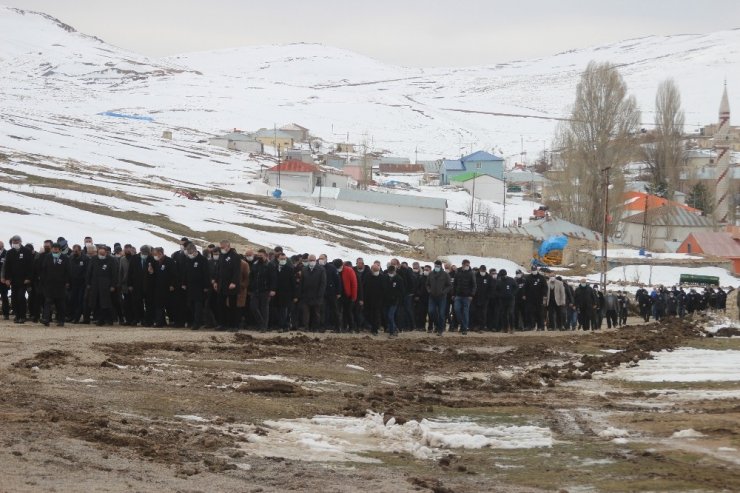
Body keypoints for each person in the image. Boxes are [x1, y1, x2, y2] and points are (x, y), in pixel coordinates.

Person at [1, 235, 33, 324]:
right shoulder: (10, 252)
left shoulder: (26, 251)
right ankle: (17, 315)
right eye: (13, 243)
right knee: (14, 298)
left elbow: (30, 266)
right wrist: (7, 279)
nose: (14, 244)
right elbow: (7, 266)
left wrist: (29, 278)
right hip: (13, 280)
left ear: (20, 242)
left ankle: (22, 316)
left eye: (16, 242)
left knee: (21, 297)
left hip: (23, 280)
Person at [86, 245, 118, 326]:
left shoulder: (111, 260)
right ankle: (99, 318)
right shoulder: (94, 259)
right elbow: (89, 272)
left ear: (106, 252)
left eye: (103, 253)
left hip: (106, 285)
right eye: (100, 253)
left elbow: (114, 274)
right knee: (96, 302)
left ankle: (106, 319)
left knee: (106, 303)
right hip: (95, 284)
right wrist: (88, 283)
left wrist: (113, 285)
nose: (101, 254)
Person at [40, 242, 69, 326]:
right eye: (53, 248)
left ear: (59, 249)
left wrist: (67, 281)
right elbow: (43, 270)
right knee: (48, 301)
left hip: (60, 284)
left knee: (60, 303)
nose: (54, 249)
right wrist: (43, 280)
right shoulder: (47, 257)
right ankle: (46, 319)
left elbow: (68, 271)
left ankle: (61, 320)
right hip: (49, 284)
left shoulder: (65, 258)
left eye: (56, 248)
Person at [181, 244, 210, 330]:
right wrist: (184, 283)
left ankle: (197, 323)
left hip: (200, 287)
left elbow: (206, 273)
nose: (189, 254)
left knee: (198, 305)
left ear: (195, 251)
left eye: (190, 252)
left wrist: (206, 286)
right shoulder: (188, 259)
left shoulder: (202, 260)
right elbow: (185, 272)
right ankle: (193, 321)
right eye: (188, 252)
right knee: (191, 305)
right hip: (190, 286)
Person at [214, 240, 241, 330]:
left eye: (222, 247)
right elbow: (218, 270)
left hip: (231, 285)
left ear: (228, 246)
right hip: (221, 285)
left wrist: (234, 282)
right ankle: (222, 324)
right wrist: (216, 281)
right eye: (220, 247)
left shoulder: (235, 256)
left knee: (233, 306)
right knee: (220, 305)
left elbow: (237, 271)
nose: (221, 249)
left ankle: (235, 325)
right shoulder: (221, 255)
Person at [152, 247, 178, 327]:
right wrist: (151, 272)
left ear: (160, 253)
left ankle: (173, 321)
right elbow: (155, 274)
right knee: (159, 305)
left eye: (155, 254)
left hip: (168, 287)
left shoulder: (169, 261)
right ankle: (160, 322)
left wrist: (172, 284)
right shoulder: (156, 262)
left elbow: (174, 274)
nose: (154, 256)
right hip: (159, 287)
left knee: (169, 305)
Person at [300, 255, 326, 332]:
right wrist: (301, 293)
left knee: (316, 313)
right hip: (306, 295)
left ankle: (315, 327)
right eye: (310, 260)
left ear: (315, 260)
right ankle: (306, 327)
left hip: (317, 295)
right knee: (306, 313)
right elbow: (302, 282)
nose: (311, 261)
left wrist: (320, 294)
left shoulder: (321, 269)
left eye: (313, 260)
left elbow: (323, 283)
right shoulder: (304, 269)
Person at [426, 260, 452, 336]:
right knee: (431, 311)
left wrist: (444, 292)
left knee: (441, 313)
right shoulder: (430, 274)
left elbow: (449, 285)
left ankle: (440, 329)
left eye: (438, 266)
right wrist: (429, 290)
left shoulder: (445, 275)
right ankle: (437, 325)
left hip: (442, 297)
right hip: (432, 296)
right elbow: (427, 284)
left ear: (440, 266)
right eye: (435, 266)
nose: (436, 267)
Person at [275, 253, 295, 332]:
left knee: (284, 310)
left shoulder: (289, 269)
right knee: (277, 310)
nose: (283, 260)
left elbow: (292, 283)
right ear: (278, 259)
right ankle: (283, 325)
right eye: (281, 259)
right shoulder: (274, 268)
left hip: (286, 294)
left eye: (284, 259)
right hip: (276, 293)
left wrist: (294, 295)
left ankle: (283, 326)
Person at [384, 265, 405, 337]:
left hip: (394, 301)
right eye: (389, 272)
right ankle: (395, 328)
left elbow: (402, 291)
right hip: (386, 300)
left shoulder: (399, 279)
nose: (390, 273)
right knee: (387, 316)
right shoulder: (385, 277)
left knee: (390, 315)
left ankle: (392, 332)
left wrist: (396, 297)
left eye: (391, 272)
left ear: (394, 271)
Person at [338, 260, 358, 333]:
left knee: (348, 312)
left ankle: (351, 327)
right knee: (341, 312)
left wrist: (354, 297)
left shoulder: (349, 270)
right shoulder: (336, 270)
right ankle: (343, 326)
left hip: (348, 295)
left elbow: (354, 284)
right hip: (339, 295)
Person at [472, 265, 492, 331]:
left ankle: (482, 326)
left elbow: (491, 287)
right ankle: (476, 325)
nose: (483, 272)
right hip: (476, 297)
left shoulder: (488, 277)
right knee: (476, 312)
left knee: (483, 313)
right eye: (481, 271)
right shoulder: (475, 276)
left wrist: (488, 296)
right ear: (479, 270)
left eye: (484, 271)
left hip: (485, 298)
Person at [0, 241, 8, 320]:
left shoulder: (7, 253)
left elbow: (7, 267)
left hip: (3, 279)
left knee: (4, 296)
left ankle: (6, 314)